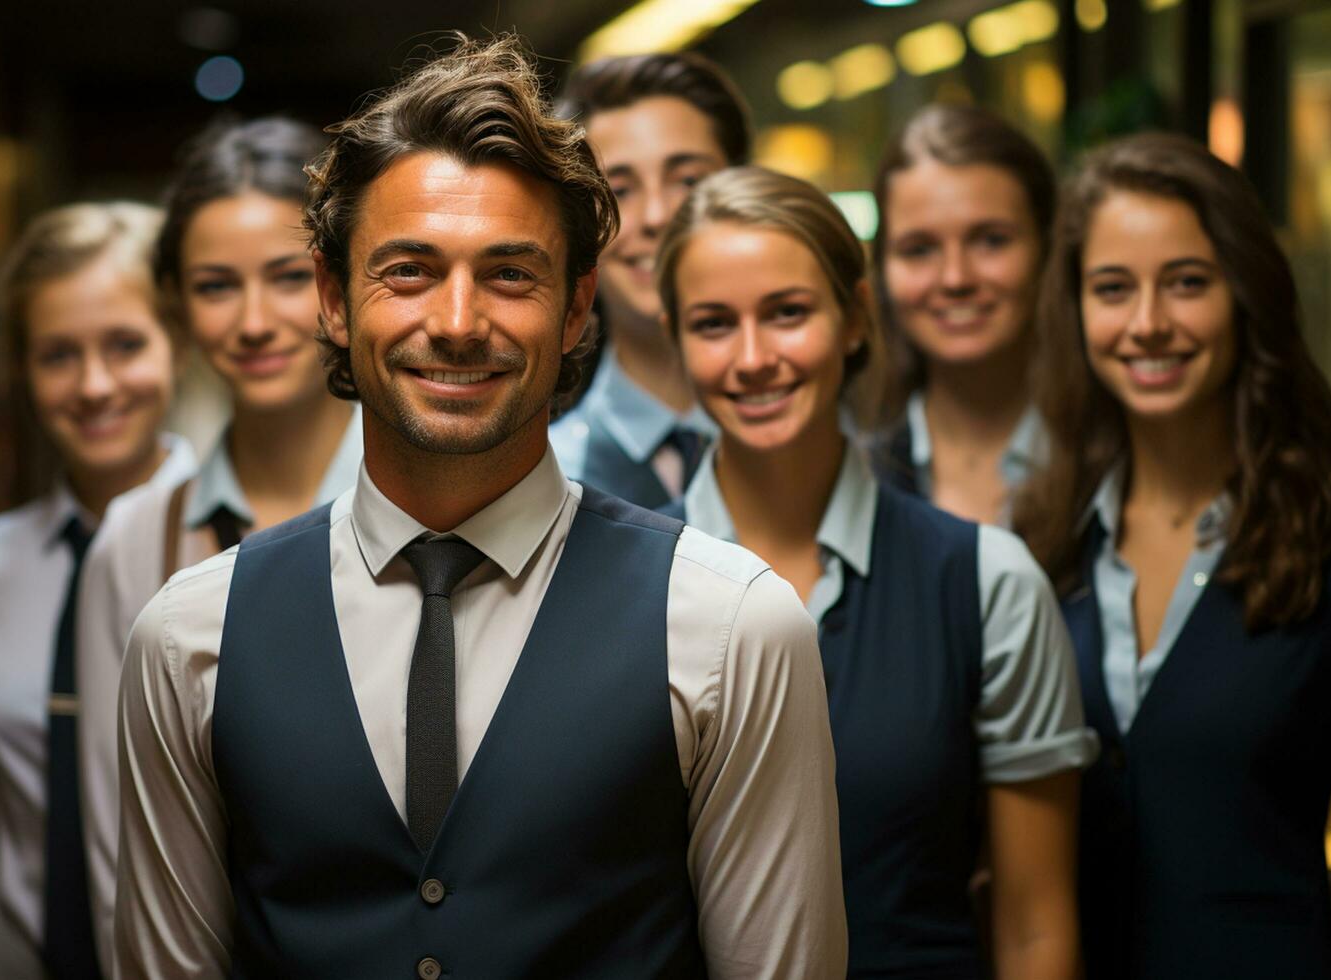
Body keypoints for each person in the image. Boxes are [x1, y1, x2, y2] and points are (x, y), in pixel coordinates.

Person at [112, 35, 847, 979]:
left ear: (578, 305)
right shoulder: (189, 636)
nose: (458, 324)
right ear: (334, 300)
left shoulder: (731, 625)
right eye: (408, 271)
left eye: (510, 274)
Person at [657, 166, 1096, 978]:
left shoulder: (984, 582)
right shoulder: (624, 580)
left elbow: (1035, 928)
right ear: (677, 341)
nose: (754, 359)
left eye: (788, 314)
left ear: (855, 318)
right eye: (714, 323)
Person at [1014, 133, 1331, 979]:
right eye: (1113, 289)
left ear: (1246, 296)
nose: (1149, 324)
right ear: (1076, 310)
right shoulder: (1040, 541)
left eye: (1188, 283)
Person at [74, 117, 363, 966]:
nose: (254, 321)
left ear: (341, 280)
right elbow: (116, 831)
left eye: (285, 277)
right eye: (213, 286)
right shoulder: (141, 534)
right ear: (173, 302)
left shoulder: (436, 509)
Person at [0, 202, 194, 980]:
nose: (95, 384)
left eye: (125, 345)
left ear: (176, 343)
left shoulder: (238, 547)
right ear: (23, 369)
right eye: (57, 355)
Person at [548, 52, 752, 508]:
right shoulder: (550, 479)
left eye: (688, 181)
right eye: (618, 189)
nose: (658, 216)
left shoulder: (832, 445)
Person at [866, 104, 1056, 525]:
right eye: (919, 249)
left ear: (1047, 248)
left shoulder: (1117, 458)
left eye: (991, 240)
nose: (956, 278)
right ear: (881, 268)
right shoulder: (852, 471)